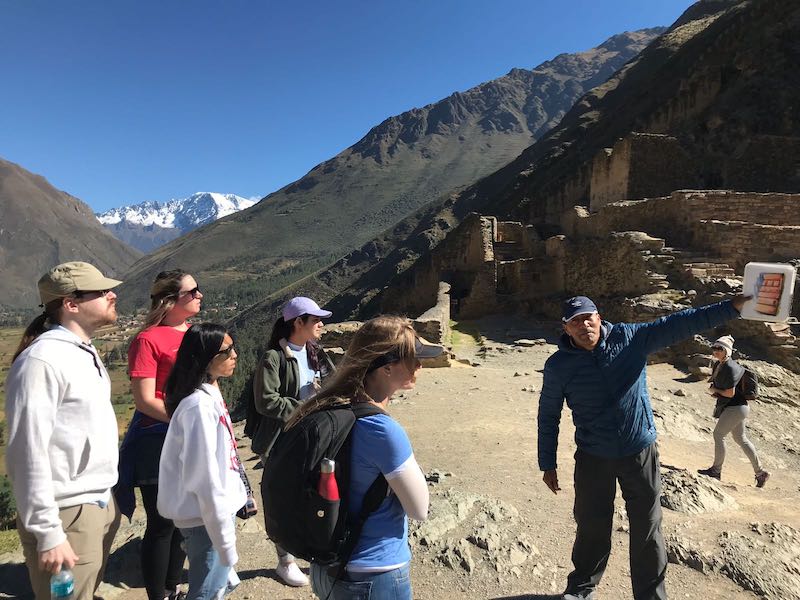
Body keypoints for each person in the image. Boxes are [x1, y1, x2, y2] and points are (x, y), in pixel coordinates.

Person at [538, 294, 747, 600]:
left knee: (648, 527)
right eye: (575, 321)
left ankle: (650, 597)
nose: (584, 325)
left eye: (588, 317)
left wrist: (733, 307)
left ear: (599, 317)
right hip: (594, 454)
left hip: (639, 450)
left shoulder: (630, 338)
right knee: (591, 524)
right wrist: (548, 462)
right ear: (566, 328)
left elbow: (680, 323)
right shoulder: (558, 366)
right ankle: (581, 589)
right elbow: (549, 412)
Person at [286, 315, 442, 600]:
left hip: (326, 569)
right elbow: (419, 509)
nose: (419, 365)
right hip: (372, 574)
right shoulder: (383, 430)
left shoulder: (329, 407)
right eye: (412, 359)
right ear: (386, 368)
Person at [5, 261, 123, 599]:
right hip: (66, 514)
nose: (112, 295)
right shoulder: (41, 361)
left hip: (95, 503)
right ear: (71, 303)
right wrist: (48, 532)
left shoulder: (80, 351)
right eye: (101, 292)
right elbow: (27, 451)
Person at [116, 270, 202, 600]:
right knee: (162, 520)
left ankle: (173, 586)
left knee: (185, 517)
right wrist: (183, 421)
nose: (199, 295)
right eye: (192, 291)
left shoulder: (192, 334)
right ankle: (158, 594)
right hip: (157, 439)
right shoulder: (147, 340)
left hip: (190, 433)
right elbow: (144, 399)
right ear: (169, 300)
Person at [248, 296, 335, 587]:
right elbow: (266, 401)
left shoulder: (316, 352)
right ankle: (285, 560)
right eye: (316, 320)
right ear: (298, 323)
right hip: (280, 440)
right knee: (281, 498)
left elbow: (333, 382)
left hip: (313, 436)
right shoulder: (273, 358)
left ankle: (310, 548)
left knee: (312, 494)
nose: (321, 324)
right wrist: (303, 406)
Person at [157, 324, 246, 600]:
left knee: (215, 586)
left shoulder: (208, 396)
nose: (235, 355)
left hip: (209, 515)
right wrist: (225, 542)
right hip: (204, 518)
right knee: (207, 592)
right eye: (226, 351)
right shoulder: (198, 408)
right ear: (205, 358)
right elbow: (205, 478)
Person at [697, 335, 770, 487]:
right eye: (714, 348)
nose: (716, 351)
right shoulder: (720, 365)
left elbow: (729, 393)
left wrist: (715, 390)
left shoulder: (730, 367)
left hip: (735, 407)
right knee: (741, 439)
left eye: (719, 348)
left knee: (718, 435)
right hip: (738, 407)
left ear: (727, 351)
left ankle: (716, 471)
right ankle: (761, 473)